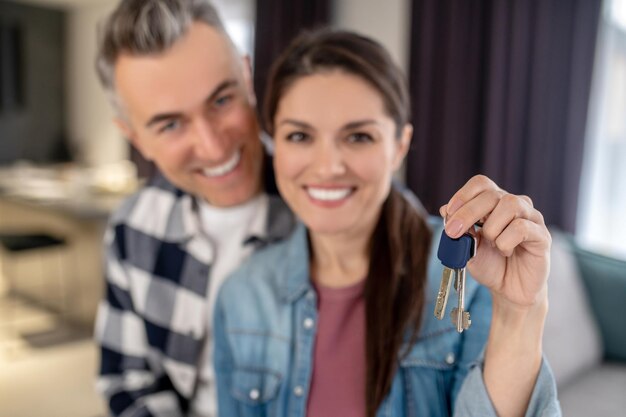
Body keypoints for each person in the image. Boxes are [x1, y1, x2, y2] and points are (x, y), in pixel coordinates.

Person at [213, 29, 560, 417]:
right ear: (274, 144)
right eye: (299, 136)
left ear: (399, 145)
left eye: (359, 136)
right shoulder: (241, 297)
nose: (328, 166)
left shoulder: (475, 274)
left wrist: (519, 312)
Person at [93, 1, 294, 416]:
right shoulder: (132, 229)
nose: (213, 146)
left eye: (222, 100)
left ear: (246, 76)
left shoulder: (335, 209)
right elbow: (128, 382)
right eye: (170, 125)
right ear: (135, 137)